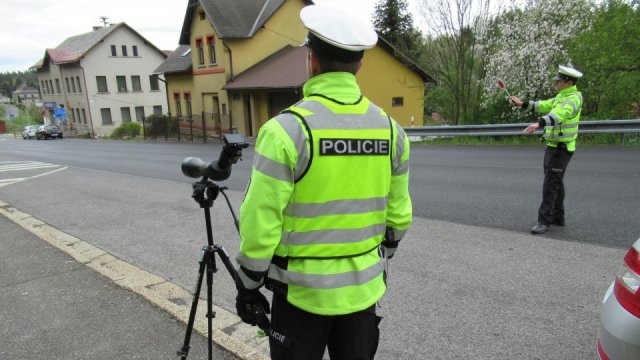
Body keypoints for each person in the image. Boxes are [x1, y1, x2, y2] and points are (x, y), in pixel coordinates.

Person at [233, 4, 413, 359]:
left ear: (311, 61)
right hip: (363, 295)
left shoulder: (286, 130)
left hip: (301, 299)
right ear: (360, 65)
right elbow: (399, 215)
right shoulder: (392, 131)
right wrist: (379, 255)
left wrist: (249, 285)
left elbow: (260, 222)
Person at [510, 65, 583, 234]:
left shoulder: (574, 98)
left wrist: (539, 123)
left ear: (569, 82)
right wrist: (522, 104)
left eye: (559, 81)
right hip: (552, 146)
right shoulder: (560, 96)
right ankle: (558, 217)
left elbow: (560, 114)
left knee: (550, 183)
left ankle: (544, 221)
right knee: (555, 181)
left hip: (562, 147)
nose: (555, 83)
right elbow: (544, 105)